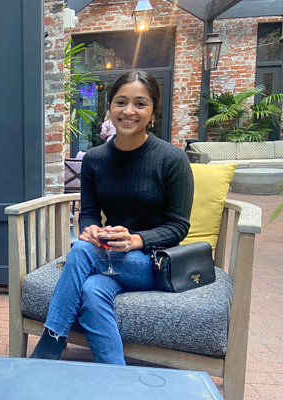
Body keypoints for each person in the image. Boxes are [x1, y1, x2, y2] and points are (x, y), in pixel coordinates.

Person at [30, 71, 193, 364]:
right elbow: (90, 212)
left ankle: (49, 346)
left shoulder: (171, 159)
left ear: (153, 111)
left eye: (140, 104)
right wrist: (90, 229)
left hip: (154, 262)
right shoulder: (94, 159)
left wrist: (136, 240)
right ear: (110, 108)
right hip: (111, 259)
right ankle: (118, 383)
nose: (129, 111)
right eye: (121, 102)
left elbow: (178, 225)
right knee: (92, 291)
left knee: (81, 251)